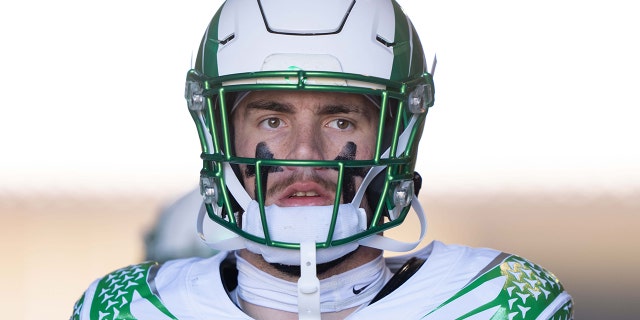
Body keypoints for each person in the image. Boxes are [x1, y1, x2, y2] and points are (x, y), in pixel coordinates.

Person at [71, 0, 573, 319]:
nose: (305, 155)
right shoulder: (129, 309)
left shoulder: (498, 303)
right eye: (273, 121)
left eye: (341, 121)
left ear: (398, 137)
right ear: (220, 129)